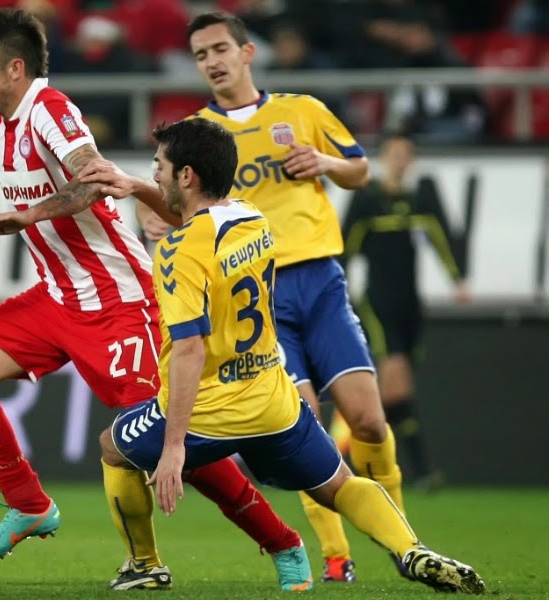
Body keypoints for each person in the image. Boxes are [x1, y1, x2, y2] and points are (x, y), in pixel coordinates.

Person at [0, 8, 311, 592]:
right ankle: (29, 505)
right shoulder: (2, 118)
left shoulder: (52, 110)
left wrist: (32, 214)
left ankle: (282, 541)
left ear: (15, 69)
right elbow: (8, 160)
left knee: (172, 441)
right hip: (57, 296)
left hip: (120, 301)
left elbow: (93, 177)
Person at [0, 117, 486, 595]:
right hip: (272, 399)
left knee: (113, 448)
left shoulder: (178, 253)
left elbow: (188, 348)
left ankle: (144, 565)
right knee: (339, 482)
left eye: (160, 166)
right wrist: (135, 187)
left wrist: (174, 446)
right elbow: (196, 217)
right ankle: (410, 549)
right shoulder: (252, 217)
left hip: (210, 409)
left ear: (187, 175)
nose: (155, 174)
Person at [78, 11, 409, 584]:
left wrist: (326, 163)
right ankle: (337, 558)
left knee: (370, 421)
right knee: (304, 419)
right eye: (200, 54)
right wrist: (147, 201)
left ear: (247, 52)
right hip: (259, 287)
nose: (211, 61)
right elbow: (183, 211)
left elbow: (359, 171)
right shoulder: (198, 135)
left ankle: (403, 539)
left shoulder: (301, 111)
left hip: (318, 279)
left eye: (219, 49)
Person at [341, 133, 468, 489]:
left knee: (393, 393)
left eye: (405, 154)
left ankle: (356, 460)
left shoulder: (419, 202)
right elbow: (345, 246)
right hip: (378, 303)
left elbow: (441, 239)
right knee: (397, 385)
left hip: (410, 305)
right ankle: (420, 469)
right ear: (383, 159)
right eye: (394, 153)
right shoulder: (367, 200)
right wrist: (337, 288)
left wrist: (457, 280)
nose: (400, 160)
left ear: (411, 160)